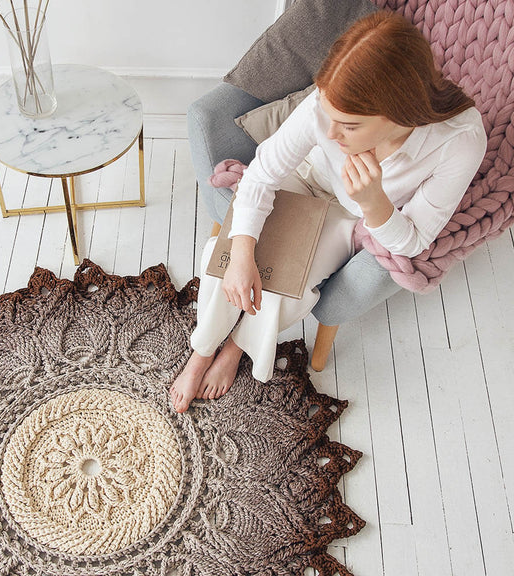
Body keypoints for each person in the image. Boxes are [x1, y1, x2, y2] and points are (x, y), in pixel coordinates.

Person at [170, 10, 487, 413]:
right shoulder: (328, 103)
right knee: (227, 253)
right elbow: (264, 172)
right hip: (304, 180)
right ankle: (201, 351)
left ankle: (235, 347)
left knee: (290, 288)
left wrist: (374, 201)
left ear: (397, 114)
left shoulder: (459, 140)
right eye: (329, 117)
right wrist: (244, 252)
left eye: (350, 127)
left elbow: (413, 241)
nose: (331, 135)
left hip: (352, 215)